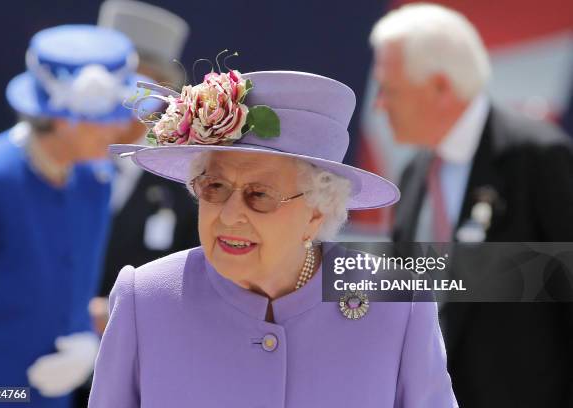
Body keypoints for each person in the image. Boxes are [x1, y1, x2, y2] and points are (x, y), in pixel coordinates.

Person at [88, 69, 458, 407]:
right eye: (214, 187)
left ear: (317, 212)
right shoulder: (146, 297)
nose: (230, 215)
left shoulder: (398, 305)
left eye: (259, 195)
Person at [369, 4, 573, 407]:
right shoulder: (413, 176)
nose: (379, 105)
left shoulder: (538, 157)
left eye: (389, 89)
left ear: (441, 87)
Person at [0, 25, 146, 408]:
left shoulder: (96, 177)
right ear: (63, 118)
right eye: (109, 115)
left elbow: (76, 281)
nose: (120, 126)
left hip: (54, 396)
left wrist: (87, 342)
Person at [91, 0, 198, 333]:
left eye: (140, 90)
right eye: (114, 85)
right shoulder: (53, 165)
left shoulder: (179, 182)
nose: (124, 103)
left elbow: (190, 282)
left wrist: (120, 313)